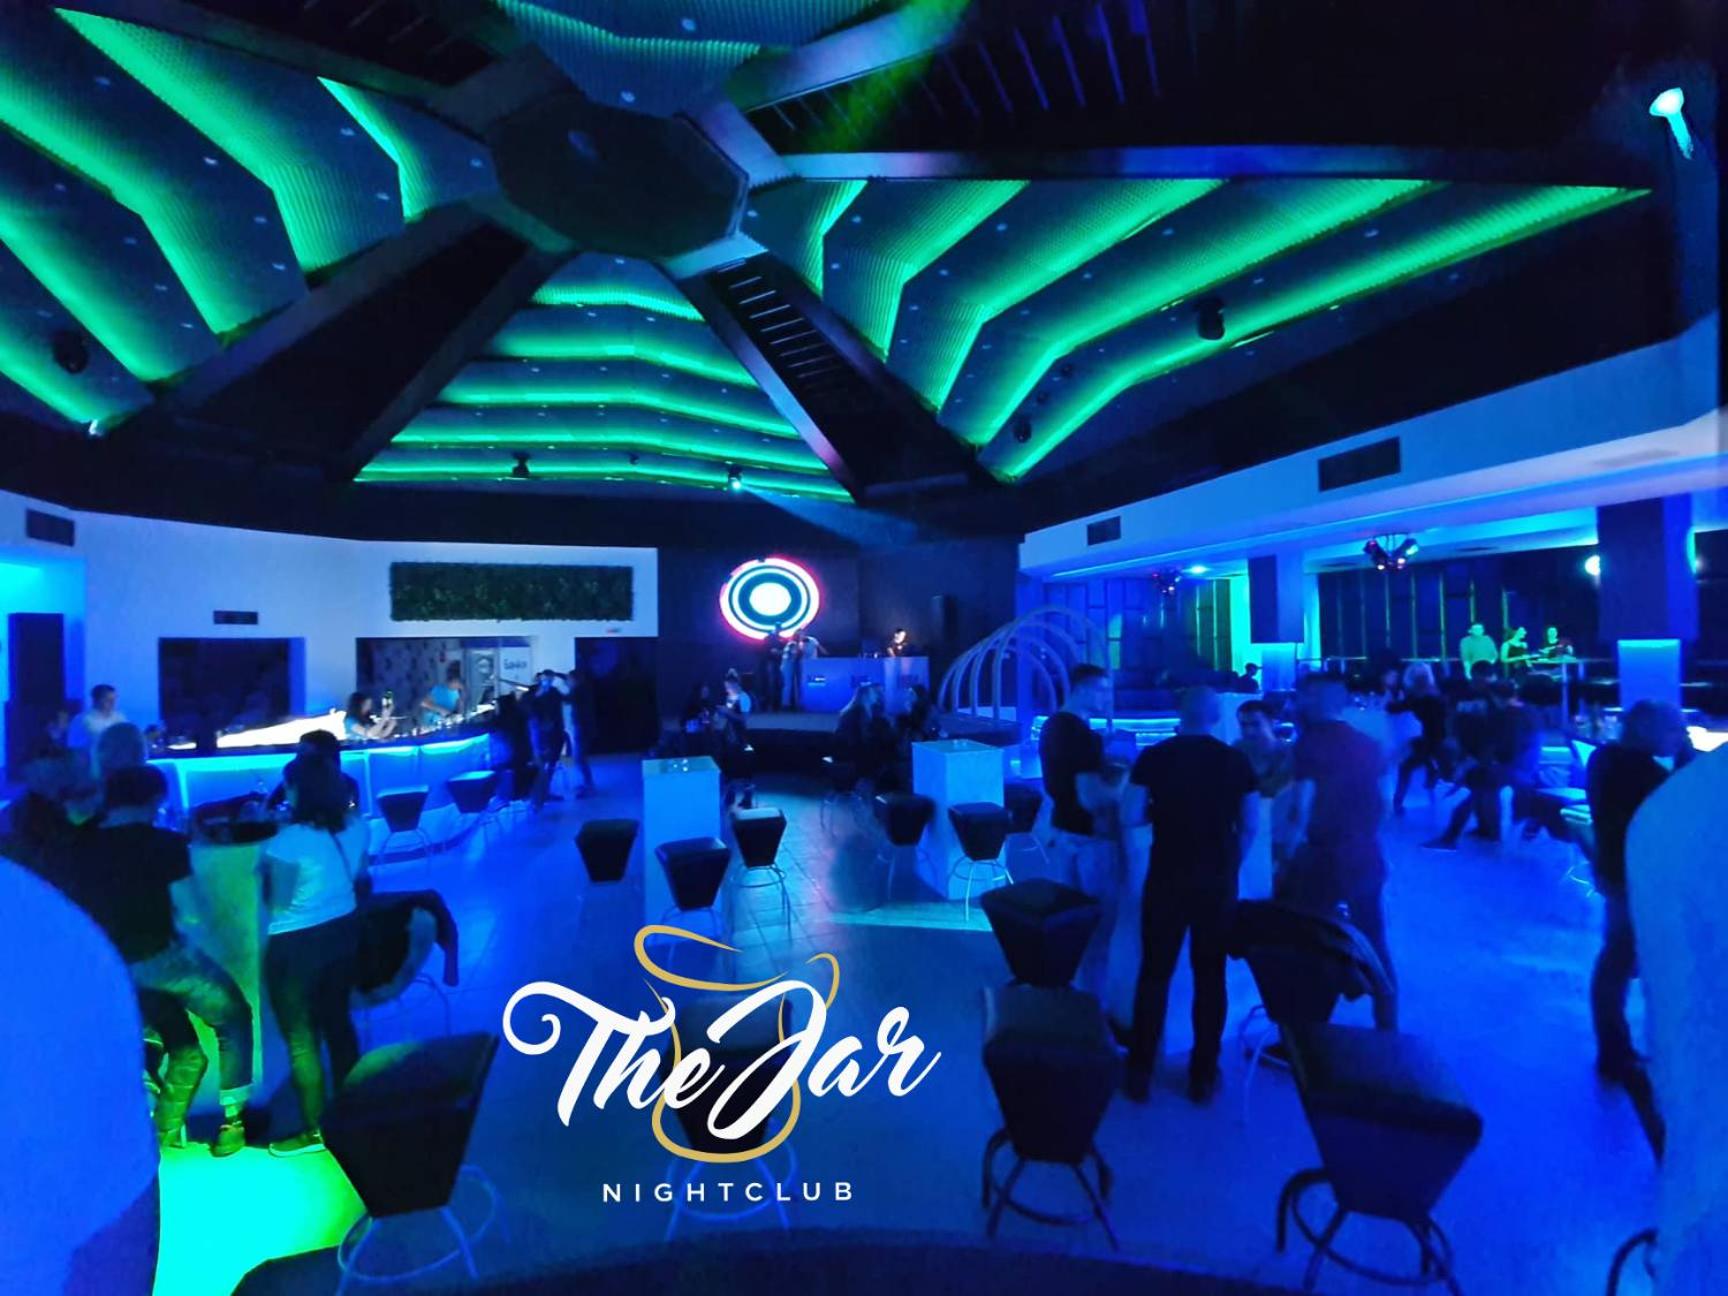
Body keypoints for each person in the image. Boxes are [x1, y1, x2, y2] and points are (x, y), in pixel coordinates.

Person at [59, 764, 255, 1155]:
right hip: (161, 961)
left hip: (108, 969)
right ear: (152, 801)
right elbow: (192, 913)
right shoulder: (164, 843)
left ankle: (152, 1098)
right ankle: (233, 1122)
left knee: (174, 1037)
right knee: (233, 1015)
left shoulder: (78, 845)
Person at [0, 855, 160, 1294]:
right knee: (226, 1018)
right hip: (144, 970)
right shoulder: (45, 928)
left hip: (131, 976)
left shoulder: (42, 928)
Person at [1123, 688, 1259, 1104]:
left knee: (1154, 974)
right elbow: (1250, 824)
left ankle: (1140, 1071)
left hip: (1166, 877)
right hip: (1216, 881)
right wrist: (1231, 864)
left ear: (1179, 713)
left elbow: (1130, 814)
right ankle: (1202, 1074)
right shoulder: (1235, 761)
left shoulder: (1154, 757)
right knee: (1210, 975)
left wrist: (1160, 812)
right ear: (1216, 714)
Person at [260, 756, 370, 1155]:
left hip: (295, 947)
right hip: (342, 934)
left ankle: (315, 1130)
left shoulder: (287, 842)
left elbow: (278, 904)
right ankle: (353, 1116)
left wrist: (263, 874)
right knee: (339, 1025)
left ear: (297, 791)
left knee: (302, 1039)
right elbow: (358, 876)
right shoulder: (357, 827)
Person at [1586, 699, 1691, 1085]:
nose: (1681, 736)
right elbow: (1683, 815)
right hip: (1640, 880)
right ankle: (1617, 1052)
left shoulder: (1604, 759)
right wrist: (1687, 763)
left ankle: (1614, 1046)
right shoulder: (1644, 774)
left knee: (1617, 957)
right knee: (1621, 959)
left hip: (1614, 871)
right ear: (1646, 730)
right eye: (1674, 729)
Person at [1283, 673, 1397, 1027]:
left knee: (1309, 938)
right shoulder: (1369, 744)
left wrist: (1286, 854)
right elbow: (1385, 803)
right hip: (1365, 854)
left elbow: (1301, 808)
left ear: (1318, 700)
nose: (1299, 703)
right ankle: (1387, 1022)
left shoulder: (1308, 745)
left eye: (1304, 697)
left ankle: (1309, 1028)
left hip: (1324, 856)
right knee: (1374, 937)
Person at [1037, 664, 1126, 1002]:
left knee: (1069, 925)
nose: (1108, 698)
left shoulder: (1052, 726)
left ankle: (1067, 1001)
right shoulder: (1081, 735)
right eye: (1102, 690)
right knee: (1098, 934)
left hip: (1062, 832)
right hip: (1091, 841)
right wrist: (1122, 783)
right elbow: (1092, 799)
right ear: (1083, 689)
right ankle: (1093, 1012)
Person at [1425, 664, 1514, 849]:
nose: (1479, 684)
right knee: (1479, 790)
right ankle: (1487, 830)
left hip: (1486, 752)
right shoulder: (1464, 695)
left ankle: (1455, 837)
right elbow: (1453, 718)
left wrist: (1486, 754)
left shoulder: (1495, 698)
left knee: (1481, 792)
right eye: (1477, 679)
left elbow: (1498, 731)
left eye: (1483, 680)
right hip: (1472, 749)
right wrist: (1454, 740)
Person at [1389, 662, 1447, 816]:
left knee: (1405, 765)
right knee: (1409, 753)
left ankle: (1398, 802)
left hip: (1438, 740)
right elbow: (1395, 707)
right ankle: (1432, 771)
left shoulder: (1428, 698)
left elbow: (1395, 707)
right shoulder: (1423, 697)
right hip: (1432, 738)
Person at [420, 662, 466, 727]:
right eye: (462, 682)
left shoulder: (457, 693)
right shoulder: (438, 689)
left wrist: (459, 713)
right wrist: (442, 710)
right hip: (432, 724)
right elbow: (423, 703)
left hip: (446, 724)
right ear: (455, 679)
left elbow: (459, 710)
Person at [760, 630, 785, 713]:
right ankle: (771, 705)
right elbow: (768, 650)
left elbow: (782, 650)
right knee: (772, 684)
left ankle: (775, 705)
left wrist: (780, 652)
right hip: (772, 662)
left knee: (777, 684)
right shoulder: (769, 639)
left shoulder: (780, 639)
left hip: (778, 663)